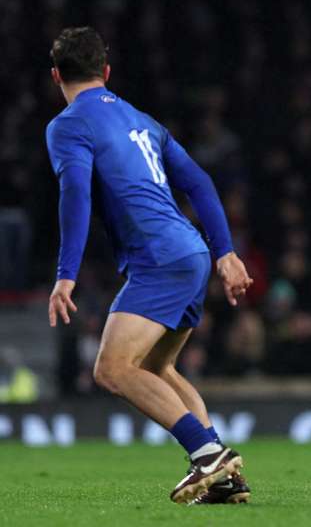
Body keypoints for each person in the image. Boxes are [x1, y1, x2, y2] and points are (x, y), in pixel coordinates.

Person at [45, 27, 254, 503]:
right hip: (192, 252)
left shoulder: (69, 124)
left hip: (159, 258)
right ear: (107, 71)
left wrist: (65, 274)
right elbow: (199, 182)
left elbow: (74, 193)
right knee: (157, 366)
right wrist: (225, 251)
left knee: (113, 369)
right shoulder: (142, 119)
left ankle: (206, 455)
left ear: (56, 75)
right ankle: (222, 474)